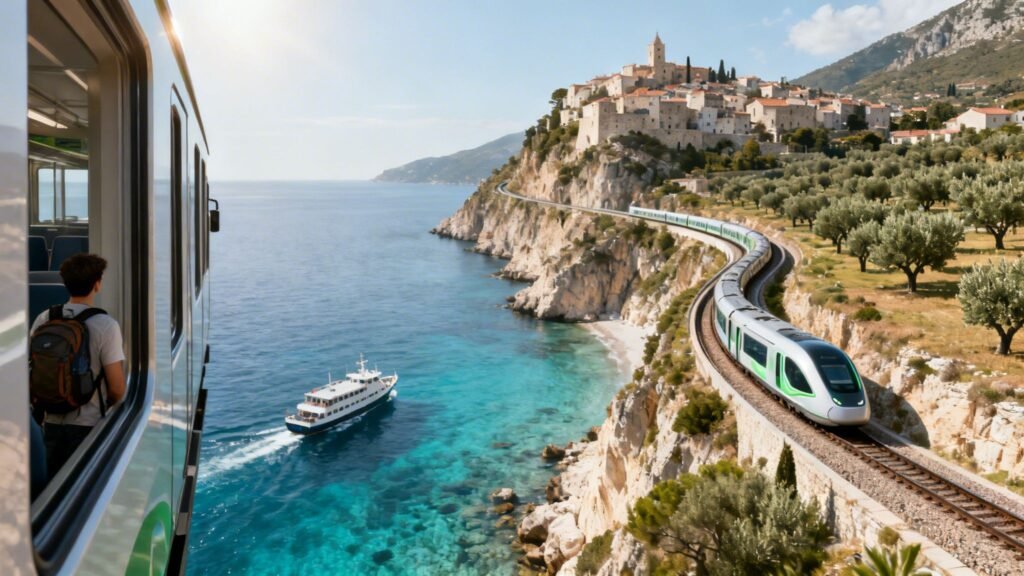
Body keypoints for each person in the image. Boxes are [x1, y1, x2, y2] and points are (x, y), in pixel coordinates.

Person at [30, 253, 125, 477]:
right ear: (97, 284)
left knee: (52, 486)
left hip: (49, 420)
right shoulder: (105, 325)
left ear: (66, 284)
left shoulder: (44, 318)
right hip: (88, 425)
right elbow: (117, 389)